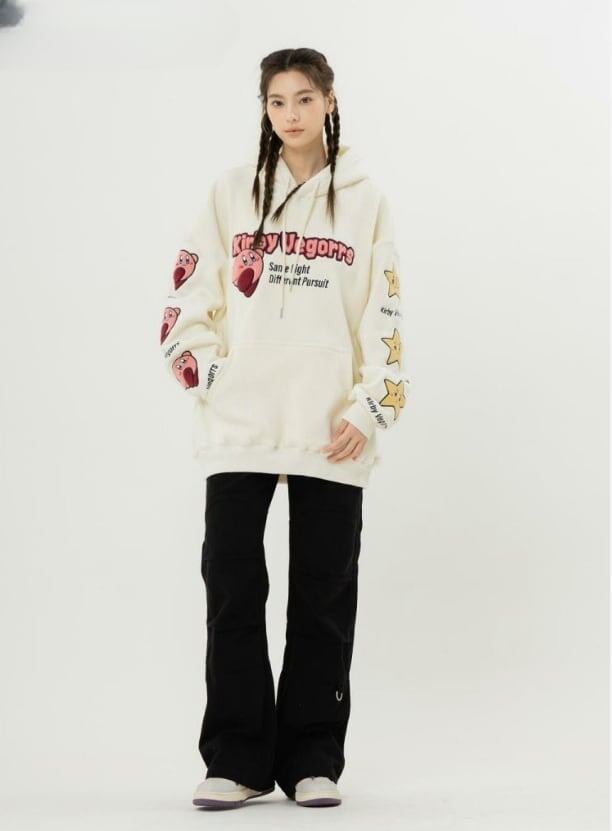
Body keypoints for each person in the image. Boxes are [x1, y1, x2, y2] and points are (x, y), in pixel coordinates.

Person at [159, 47, 410, 810]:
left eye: (304, 99)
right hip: (241, 423)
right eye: (277, 101)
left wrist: (370, 406)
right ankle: (235, 757)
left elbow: (385, 310)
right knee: (232, 586)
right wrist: (211, 375)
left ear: (330, 101)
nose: (290, 114)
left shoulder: (365, 200)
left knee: (323, 594)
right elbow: (187, 298)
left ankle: (312, 758)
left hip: (331, 426)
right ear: (264, 109)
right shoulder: (231, 193)